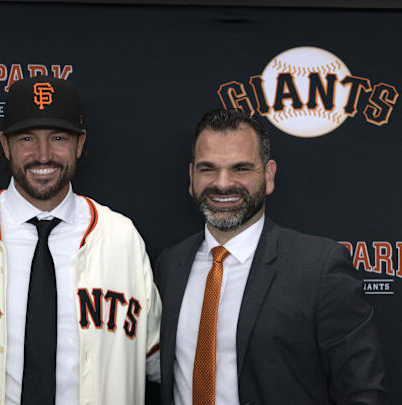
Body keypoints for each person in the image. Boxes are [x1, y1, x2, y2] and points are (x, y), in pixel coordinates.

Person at [0, 75, 161, 405]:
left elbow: (162, 361)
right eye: (27, 138)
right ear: (5, 144)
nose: (43, 155)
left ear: (80, 143)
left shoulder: (121, 238)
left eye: (59, 137)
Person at [154, 108, 387, 405]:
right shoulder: (170, 266)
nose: (223, 183)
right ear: (191, 176)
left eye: (241, 169)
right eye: (208, 168)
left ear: (269, 175)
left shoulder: (319, 268)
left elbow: (362, 391)